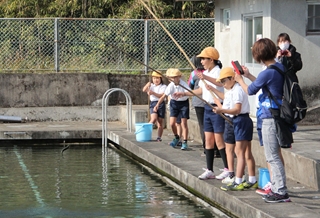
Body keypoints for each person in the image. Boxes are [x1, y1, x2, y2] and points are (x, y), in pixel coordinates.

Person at [235, 38, 291, 203]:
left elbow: (251, 91)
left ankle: (280, 191)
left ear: (258, 55)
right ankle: (277, 187)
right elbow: (263, 84)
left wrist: (240, 80)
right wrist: (249, 75)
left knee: (272, 156)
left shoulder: (268, 71)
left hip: (270, 117)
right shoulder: (278, 67)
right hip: (277, 115)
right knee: (275, 155)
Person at [173, 47, 229, 180]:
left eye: (204, 59)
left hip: (217, 108)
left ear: (211, 59)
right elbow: (200, 91)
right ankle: (209, 169)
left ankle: (227, 168)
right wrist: (184, 93)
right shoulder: (205, 73)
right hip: (207, 108)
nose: (201, 61)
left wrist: (205, 77)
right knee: (208, 139)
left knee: (219, 139)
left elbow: (219, 82)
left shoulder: (217, 72)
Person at [207, 67, 257, 191]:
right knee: (245, 153)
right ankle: (252, 179)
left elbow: (237, 110)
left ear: (232, 78)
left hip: (241, 120)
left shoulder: (238, 90)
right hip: (237, 120)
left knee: (240, 152)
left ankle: (238, 181)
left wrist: (221, 110)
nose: (223, 84)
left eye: (224, 81)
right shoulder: (230, 90)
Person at [154, 68, 190, 150]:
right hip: (174, 103)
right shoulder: (170, 86)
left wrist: (183, 94)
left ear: (179, 77)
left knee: (183, 122)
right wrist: (157, 105)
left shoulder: (183, 84)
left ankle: (185, 141)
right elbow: (164, 96)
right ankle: (176, 137)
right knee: (172, 123)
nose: (173, 79)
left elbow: (190, 93)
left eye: (175, 77)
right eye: (171, 78)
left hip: (183, 103)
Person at [142, 71, 167, 142]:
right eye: (154, 78)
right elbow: (144, 90)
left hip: (161, 103)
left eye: (157, 78)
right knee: (153, 119)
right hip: (153, 103)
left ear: (161, 79)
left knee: (160, 122)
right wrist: (147, 85)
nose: (156, 80)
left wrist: (153, 93)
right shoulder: (151, 86)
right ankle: (145, 131)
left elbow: (161, 95)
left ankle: (159, 137)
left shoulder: (163, 86)